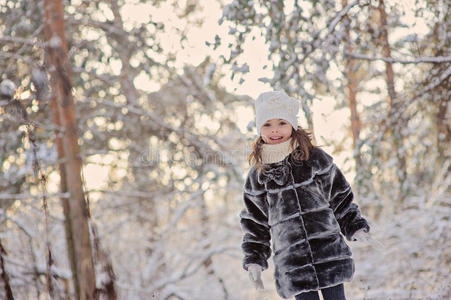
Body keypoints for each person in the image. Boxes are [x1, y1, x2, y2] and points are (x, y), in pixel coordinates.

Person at [239, 90, 372, 300]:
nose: (275, 130)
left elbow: (340, 197)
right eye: (267, 124)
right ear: (259, 128)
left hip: (328, 251)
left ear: (292, 124)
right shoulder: (258, 175)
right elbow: (255, 222)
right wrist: (254, 259)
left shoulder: (315, 159)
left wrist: (354, 226)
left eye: (282, 122)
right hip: (293, 262)